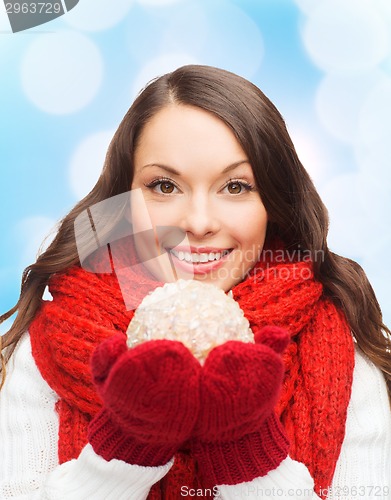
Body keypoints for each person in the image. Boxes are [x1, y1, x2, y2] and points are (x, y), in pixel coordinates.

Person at [0, 64, 390, 500]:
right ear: (123, 202)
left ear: (274, 204)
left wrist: (246, 448)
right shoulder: (42, 354)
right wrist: (129, 443)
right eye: (164, 185)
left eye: (237, 186)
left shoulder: (345, 358)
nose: (199, 222)